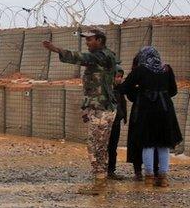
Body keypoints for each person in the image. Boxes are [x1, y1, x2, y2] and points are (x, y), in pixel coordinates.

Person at [42, 27, 120, 190]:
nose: (87, 42)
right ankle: (100, 180)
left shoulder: (102, 56)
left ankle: (99, 183)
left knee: (96, 146)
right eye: (86, 39)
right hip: (98, 107)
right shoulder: (103, 56)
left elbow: (81, 58)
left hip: (102, 109)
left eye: (90, 39)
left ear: (99, 40)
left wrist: (56, 49)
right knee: (97, 145)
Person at [119, 46, 183, 187]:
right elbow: (173, 91)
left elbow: (124, 88)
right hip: (166, 110)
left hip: (146, 111)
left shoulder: (140, 70)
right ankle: (163, 177)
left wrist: (139, 93)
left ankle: (149, 177)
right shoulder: (167, 69)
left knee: (147, 144)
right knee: (164, 145)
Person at [106, 69, 129, 180]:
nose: (119, 79)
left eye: (121, 77)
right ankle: (102, 170)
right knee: (105, 146)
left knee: (113, 147)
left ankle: (111, 170)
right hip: (107, 122)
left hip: (116, 122)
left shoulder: (119, 90)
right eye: (117, 76)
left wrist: (123, 116)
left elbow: (122, 104)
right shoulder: (107, 89)